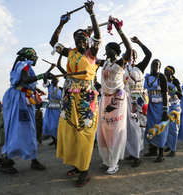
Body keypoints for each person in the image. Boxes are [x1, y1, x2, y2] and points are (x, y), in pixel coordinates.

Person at [49, 0, 101, 187]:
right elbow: (53, 42)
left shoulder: (91, 54)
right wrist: (62, 23)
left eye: (83, 39)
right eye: (78, 39)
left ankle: (85, 171)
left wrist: (92, 13)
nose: (81, 41)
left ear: (88, 41)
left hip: (86, 100)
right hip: (69, 97)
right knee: (69, 130)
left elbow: (98, 37)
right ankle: (77, 165)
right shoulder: (70, 52)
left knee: (84, 132)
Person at [0, 47, 52, 174]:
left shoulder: (24, 65)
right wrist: (42, 75)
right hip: (18, 100)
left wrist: (38, 89)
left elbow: (27, 83)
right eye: (35, 56)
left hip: (23, 99)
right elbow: (26, 79)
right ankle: (6, 161)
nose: (36, 58)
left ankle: (33, 160)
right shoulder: (23, 64)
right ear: (30, 56)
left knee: (28, 129)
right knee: (17, 129)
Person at [97, 16, 132, 174]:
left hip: (116, 101)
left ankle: (115, 161)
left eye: (110, 51)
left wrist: (119, 30)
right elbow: (90, 56)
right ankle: (106, 159)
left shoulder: (119, 63)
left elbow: (129, 50)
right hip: (104, 99)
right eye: (106, 51)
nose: (107, 53)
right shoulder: (104, 63)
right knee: (104, 129)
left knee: (115, 129)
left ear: (116, 52)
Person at [123, 36, 151, 167]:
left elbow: (149, 54)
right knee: (128, 127)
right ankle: (132, 152)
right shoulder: (122, 68)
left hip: (138, 100)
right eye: (129, 53)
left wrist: (139, 42)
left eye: (134, 53)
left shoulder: (140, 67)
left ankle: (137, 156)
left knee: (137, 128)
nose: (131, 55)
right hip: (125, 99)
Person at [144, 59, 169, 162]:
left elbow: (165, 94)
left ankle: (161, 153)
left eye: (157, 65)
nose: (155, 66)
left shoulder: (162, 77)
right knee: (150, 128)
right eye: (153, 64)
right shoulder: (147, 77)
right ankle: (153, 149)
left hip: (159, 107)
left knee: (161, 129)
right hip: (150, 107)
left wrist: (165, 111)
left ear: (159, 66)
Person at [164, 66, 183, 156]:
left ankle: (173, 149)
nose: (165, 71)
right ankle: (169, 145)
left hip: (175, 105)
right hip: (166, 104)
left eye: (167, 71)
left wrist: (174, 90)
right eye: (164, 70)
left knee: (173, 127)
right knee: (166, 126)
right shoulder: (162, 80)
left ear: (172, 73)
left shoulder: (175, 81)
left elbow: (181, 94)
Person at [43, 77, 62, 148]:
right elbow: (45, 79)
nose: (53, 81)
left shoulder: (60, 89)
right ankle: (54, 139)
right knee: (48, 124)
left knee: (56, 125)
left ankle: (57, 140)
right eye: (52, 79)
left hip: (57, 109)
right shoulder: (49, 87)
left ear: (58, 81)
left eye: (55, 80)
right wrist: (50, 70)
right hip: (50, 109)